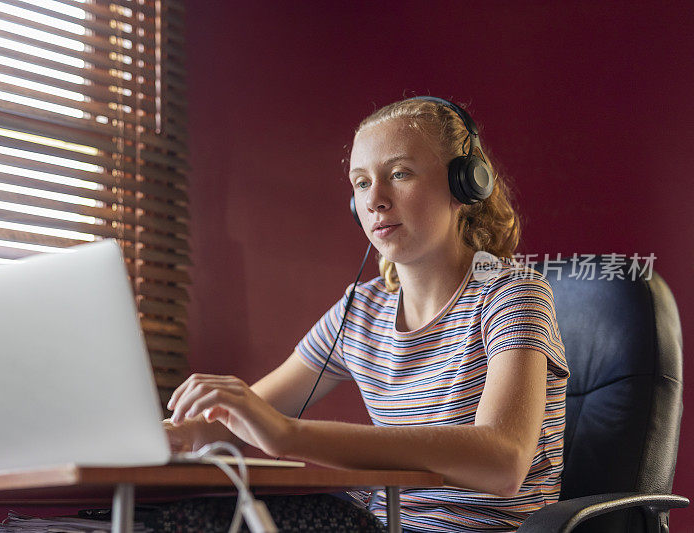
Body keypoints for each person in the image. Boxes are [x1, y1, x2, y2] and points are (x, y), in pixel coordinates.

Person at [165, 96, 569, 532]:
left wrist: (287, 434)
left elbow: (503, 461)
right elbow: (231, 424)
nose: (375, 199)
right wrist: (169, 433)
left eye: (399, 174)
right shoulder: (360, 310)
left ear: (464, 187)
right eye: (360, 182)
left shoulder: (512, 296)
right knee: (185, 521)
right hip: (385, 524)